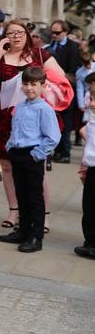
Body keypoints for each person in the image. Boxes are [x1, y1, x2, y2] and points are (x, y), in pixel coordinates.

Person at [0, 20, 64, 230]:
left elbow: (60, 80)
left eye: (19, 32)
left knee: (37, 168)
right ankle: (14, 210)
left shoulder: (39, 55)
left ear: (26, 34)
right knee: (6, 167)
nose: (16, 36)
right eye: (10, 33)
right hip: (3, 119)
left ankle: (43, 214)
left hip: (33, 120)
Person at [0, 67, 60, 253]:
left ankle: (35, 236)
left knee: (34, 197)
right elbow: (15, 130)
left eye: (33, 84)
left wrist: (37, 154)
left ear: (42, 85)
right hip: (17, 153)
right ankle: (23, 230)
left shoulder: (44, 109)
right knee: (21, 195)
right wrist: (10, 146)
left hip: (33, 155)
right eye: (25, 84)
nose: (29, 88)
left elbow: (53, 137)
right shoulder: (20, 106)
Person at [48, 20, 82, 164]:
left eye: (57, 32)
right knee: (55, 121)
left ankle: (65, 152)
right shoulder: (50, 47)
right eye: (52, 32)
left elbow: (73, 72)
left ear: (65, 32)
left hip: (66, 89)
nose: (54, 35)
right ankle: (57, 151)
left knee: (66, 123)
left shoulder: (72, 47)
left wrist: (58, 77)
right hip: (51, 90)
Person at [75, 72, 95, 260]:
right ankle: (90, 241)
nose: (92, 103)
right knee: (88, 207)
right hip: (92, 168)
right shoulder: (92, 120)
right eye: (91, 96)